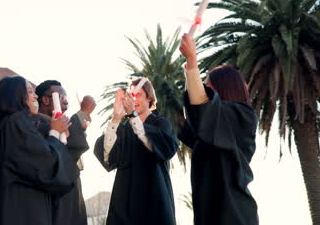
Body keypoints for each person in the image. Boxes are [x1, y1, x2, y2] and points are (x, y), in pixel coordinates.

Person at [0, 76, 78, 225]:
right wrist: (54, 133)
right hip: (20, 213)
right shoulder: (16, 122)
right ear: (16, 96)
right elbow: (45, 165)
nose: (35, 96)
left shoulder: (7, 126)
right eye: (29, 91)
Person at [178, 33, 259, 225]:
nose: (204, 89)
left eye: (208, 85)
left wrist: (192, 64)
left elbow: (204, 107)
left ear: (223, 88)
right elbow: (197, 116)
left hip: (234, 214)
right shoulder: (209, 126)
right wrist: (189, 75)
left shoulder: (243, 117)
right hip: (209, 213)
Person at [94, 78, 178, 225]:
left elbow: (164, 148)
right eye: (131, 95)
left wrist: (133, 117)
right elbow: (108, 157)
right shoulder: (123, 129)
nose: (134, 99)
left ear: (149, 98)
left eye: (139, 94)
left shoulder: (161, 124)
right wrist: (115, 119)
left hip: (155, 199)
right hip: (125, 204)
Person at [35, 80, 95, 225]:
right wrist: (83, 113)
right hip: (57, 201)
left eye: (66, 98)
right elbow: (65, 151)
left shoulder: (58, 124)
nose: (66, 102)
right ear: (45, 100)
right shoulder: (38, 125)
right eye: (62, 97)